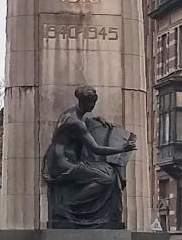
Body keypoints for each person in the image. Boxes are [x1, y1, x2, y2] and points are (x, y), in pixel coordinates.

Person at [43, 85, 136, 229]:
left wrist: (97, 119)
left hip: (62, 160)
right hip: (63, 164)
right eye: (91, 103)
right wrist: (121, 149)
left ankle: (79, 209)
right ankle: (68, 207)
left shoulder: (71, 114)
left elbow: (82, 125)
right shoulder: (76, 122)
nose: (93, 106)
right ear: (84, 102)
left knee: (108, 170)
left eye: (94, 102)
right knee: (106, 178)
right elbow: (96, 148)